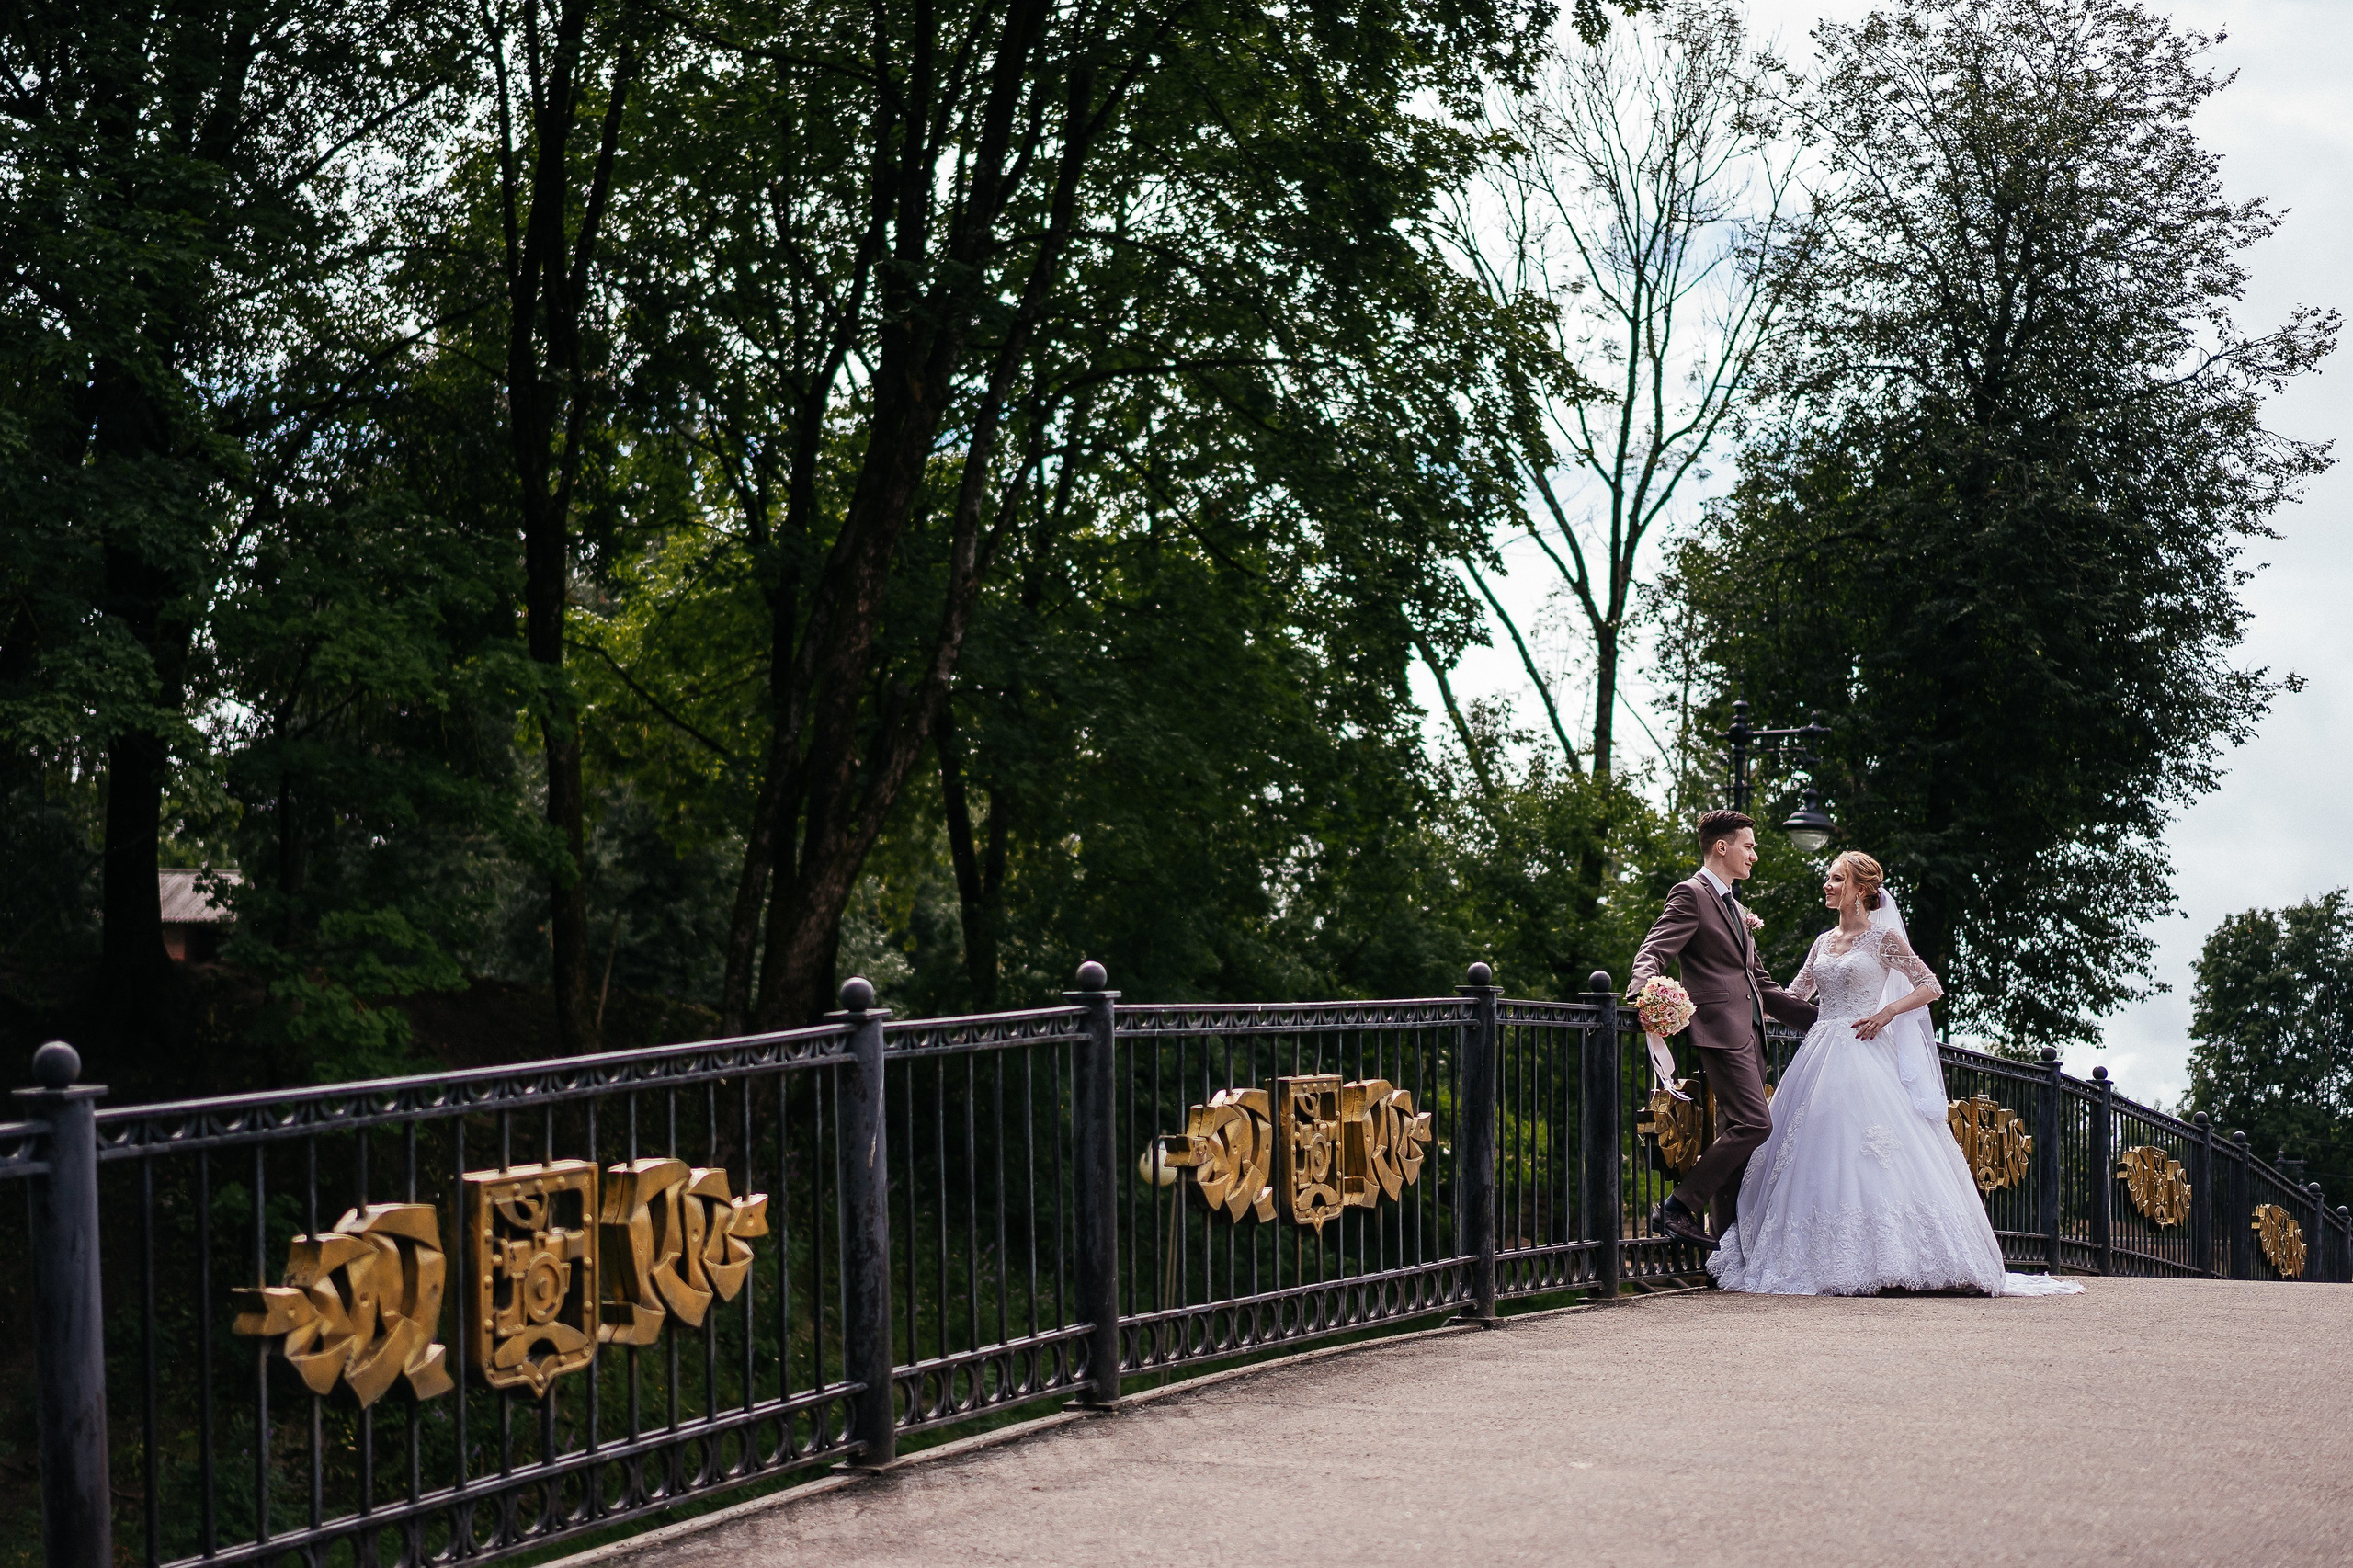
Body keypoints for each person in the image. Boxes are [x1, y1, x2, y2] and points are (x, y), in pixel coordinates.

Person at [1707, 850, 2083, 1297]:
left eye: (1835, 879)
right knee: (1812, 1152)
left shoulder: (1883, 939)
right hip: (1820, 1056)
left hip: (1867, 1051)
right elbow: (1792, 995)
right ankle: (1818, 1254)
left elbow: (1930, 985)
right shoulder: (1822, 942)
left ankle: (1897, 1256)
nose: (1826, 886)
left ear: (1861, 890)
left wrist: (1887, 1012)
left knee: (1873, 1152)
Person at [1628, 810, 1819, 1248]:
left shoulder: (1736, 907)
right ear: (1722, 847)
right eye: (1748, 846)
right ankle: (1676, 1207)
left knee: (1736, 1136)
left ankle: (1727, 1249)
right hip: (1719, 1030)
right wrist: (1647, 995)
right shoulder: (1691, 894)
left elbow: (1761, 984)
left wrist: (1823, 1022)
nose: (1754, 855)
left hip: (1751, 1036)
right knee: (1756, 1123)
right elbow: (1654, 950)